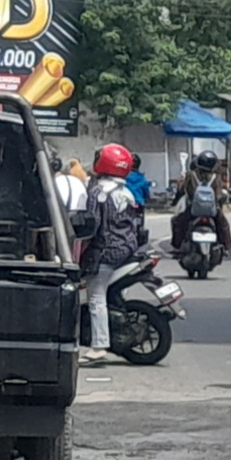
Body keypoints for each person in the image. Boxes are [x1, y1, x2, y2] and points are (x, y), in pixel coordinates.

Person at [80, 144, 146, 366]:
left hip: (106, 252)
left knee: (95, 296)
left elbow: (92, 226)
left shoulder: (98, 192)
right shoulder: (126, 192)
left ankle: (98, 346)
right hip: (128, 249)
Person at [170, 151, 231, 253]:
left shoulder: (191, 175)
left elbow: (183, 190)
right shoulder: (216, 177)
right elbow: (218, 195)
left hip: (193, 209)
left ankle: (176, 247)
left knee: (178, 222)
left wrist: (175, 200)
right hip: (212, 210)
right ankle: (226, 247)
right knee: (223, 224)